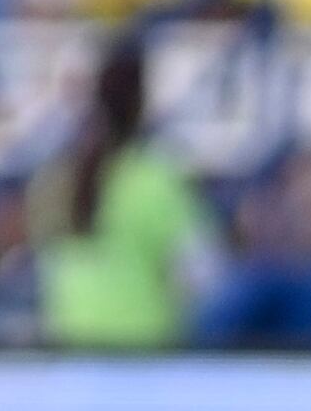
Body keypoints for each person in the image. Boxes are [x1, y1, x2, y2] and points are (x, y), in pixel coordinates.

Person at [29, 36, 218, 347]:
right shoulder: (156, 178)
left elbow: (45, 267)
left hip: (69, 351)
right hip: (142, 356)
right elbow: (202, 275)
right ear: (141, 102)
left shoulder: (54, 177)